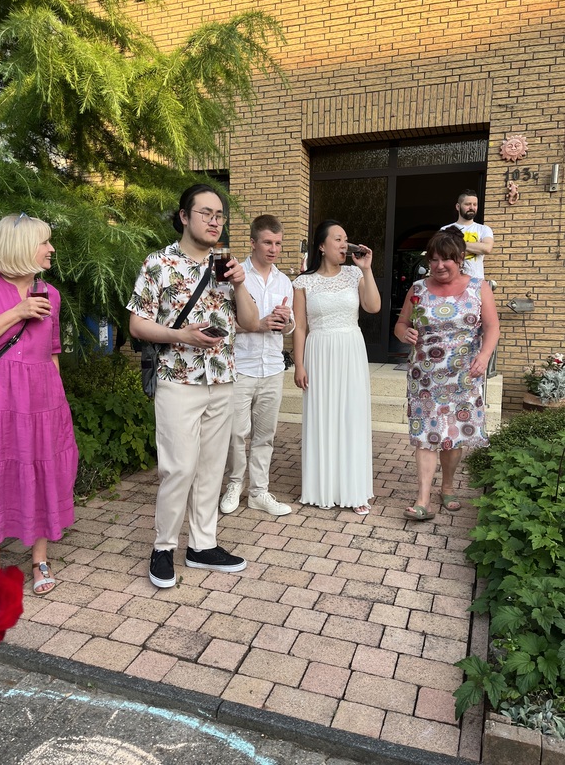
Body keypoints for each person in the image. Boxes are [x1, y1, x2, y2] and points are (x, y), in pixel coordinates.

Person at [127, 184, 260, 589]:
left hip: (222, 378)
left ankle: (203, 545)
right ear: (184, 217)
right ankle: (163, 546)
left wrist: (240, 283)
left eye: (219, 215)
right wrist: (180, 335)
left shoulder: (228, 265)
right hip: (177, 379)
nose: (214, 221)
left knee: (210, 468)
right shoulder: (159, 263)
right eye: (206, 213)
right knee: (179, 468)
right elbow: (137, 324)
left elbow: (251, 323)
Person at [0, 213, 78, 595]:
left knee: (43, 470)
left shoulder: (50, 294)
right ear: (20, 247)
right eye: (44, 242)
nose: (51, 249)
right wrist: (17, 312)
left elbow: (52, 351)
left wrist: (58, 401)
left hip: (42, 401)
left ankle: (39, 559)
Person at [394, 228, 500, 521]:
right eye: (434, 259)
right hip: (426, 376)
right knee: (425, 435)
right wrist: (404, 334)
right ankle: (423, 499)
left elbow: (492, 327)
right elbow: (401, 324)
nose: (439, 265)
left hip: (464, 375)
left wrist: (484, 356)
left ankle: (448, 487)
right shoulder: (418, 289)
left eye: (446, 259)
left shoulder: (479, 287)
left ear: (461, 258)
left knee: (454, 434)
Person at [292, 220, 381, 514]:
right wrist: (299, 365)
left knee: (351, 416)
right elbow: (300, 327)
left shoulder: (355, 274)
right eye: (338, 239)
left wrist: (367, 269)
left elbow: (373, 307)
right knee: (323, 417)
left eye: (345, 239)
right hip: (319, 351)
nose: (344, 244)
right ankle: (323, 488)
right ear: (321, 245)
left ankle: (354, 490)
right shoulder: (304, 282)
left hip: (350, 349)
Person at [220, 214, 294, 517]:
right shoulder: (235, 276)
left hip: (273, 367)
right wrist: (258, 324)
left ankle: (259, 492)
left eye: (278, 243)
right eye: (267, 242)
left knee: (265, 435)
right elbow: (222, 323)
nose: (274, 249)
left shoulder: (284, 281)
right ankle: (234, 485)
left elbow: (291, 327)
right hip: (241, 366)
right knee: (236, 433)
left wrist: (285, 322)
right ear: (253, 242)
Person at [441, 189, 494, 279]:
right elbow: (444, 253)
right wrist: (477, 246)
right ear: (458, 207)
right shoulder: (445, 230)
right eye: (468, 204)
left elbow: (487, 248)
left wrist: (456, 244)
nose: (472, 207)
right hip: (451, 281)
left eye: (475, 204)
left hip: (476, 281)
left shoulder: (484, 229)